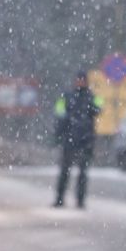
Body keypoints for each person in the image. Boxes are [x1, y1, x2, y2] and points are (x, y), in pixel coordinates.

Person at [52, 70, 102, 208]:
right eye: (78, 79)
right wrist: (59, 135)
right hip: (70, 139)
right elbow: (59, 114)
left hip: (85, 140)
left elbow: (98, 110)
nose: (80, 82)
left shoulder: (90, 97)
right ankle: (60, 198)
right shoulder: (68, 97)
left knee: (82, 174)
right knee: (65, 172)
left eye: (82, 80)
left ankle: (80, 201)